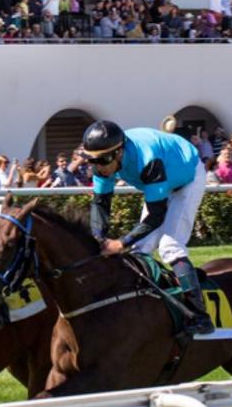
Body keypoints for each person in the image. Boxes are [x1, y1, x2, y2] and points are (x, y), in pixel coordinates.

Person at [79, 120, 214, 336]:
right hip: (163, 177)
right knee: (139, 250)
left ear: (119, 152)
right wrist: (98, 237)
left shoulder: (148, 159)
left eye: (102, 160)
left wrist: (120, 242)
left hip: (187, 175)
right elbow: (101, 203)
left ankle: (199, 315)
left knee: (170, 246)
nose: (98, 167)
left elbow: (156, 216)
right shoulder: (102, 163)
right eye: (91, 161)